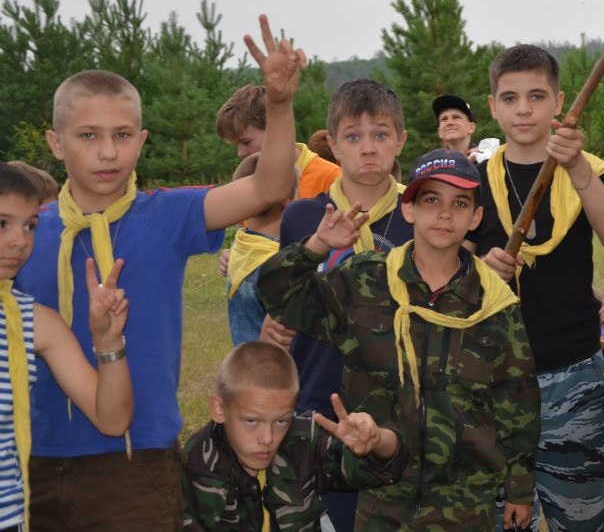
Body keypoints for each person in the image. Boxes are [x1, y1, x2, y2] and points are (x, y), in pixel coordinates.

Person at [16, 14, 304, 532]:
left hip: (138, 461)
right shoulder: (23, 234)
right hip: (31, 462)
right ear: (56, 143)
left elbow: (269, 187)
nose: (108, 151)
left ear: (142, 139)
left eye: (123, 135)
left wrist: (279, 104)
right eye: (88, 135)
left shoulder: (167, 215)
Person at [261, 150, 540, 532]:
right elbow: (279, 297)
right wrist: (316, 247)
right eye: (431, 200)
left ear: (476, 218)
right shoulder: (365, 280)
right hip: (380, 493)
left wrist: (519, 487)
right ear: (408, 209)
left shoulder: (493, 301)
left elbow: (517, 397)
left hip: (465, 499)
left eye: (460, 203)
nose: (445, 213)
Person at [467, 44, 604, 532]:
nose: (523, 109)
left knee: (583, 516)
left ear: (558, 103)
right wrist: (477, 268)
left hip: (573, 372)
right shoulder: (474, 181)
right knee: (503, 519)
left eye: (537, 96)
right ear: (493, 106)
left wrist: (576, 167)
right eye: (510, 98)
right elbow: (444, 265)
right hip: (493, 378)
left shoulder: (588, 170)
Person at [263, 78, 411, 532]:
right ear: (332, 144)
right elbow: (284, 297)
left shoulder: (420, 214)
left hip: (397, 406)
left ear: (401, 140)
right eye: (353, 136)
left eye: (380, 134)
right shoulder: (304, 216)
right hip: (317, 395)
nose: (368, 148)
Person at [0, 164, 132, 531]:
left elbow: (112, 419)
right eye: (3, 224)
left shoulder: (35, 321)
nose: (20, 240)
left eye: (29, 225)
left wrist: (107, 342)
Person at [182, 341, 407, 532]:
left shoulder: (301, 440)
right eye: (252, 421)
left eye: (281, 421)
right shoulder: (198, 467)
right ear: (219, 409)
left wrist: (378, 441)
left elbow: (380, 471)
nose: (268, 438)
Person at [216, 83, 342, 199]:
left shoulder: (331, 178)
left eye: (246, 142)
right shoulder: (247, 182)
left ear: (276, 129)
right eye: (236, 145)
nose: (240, 153)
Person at [224, 154, 298, 347]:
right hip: (275, 363)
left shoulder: (242, 246)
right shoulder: (281, 265)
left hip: (245, 361)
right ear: (288, 201)